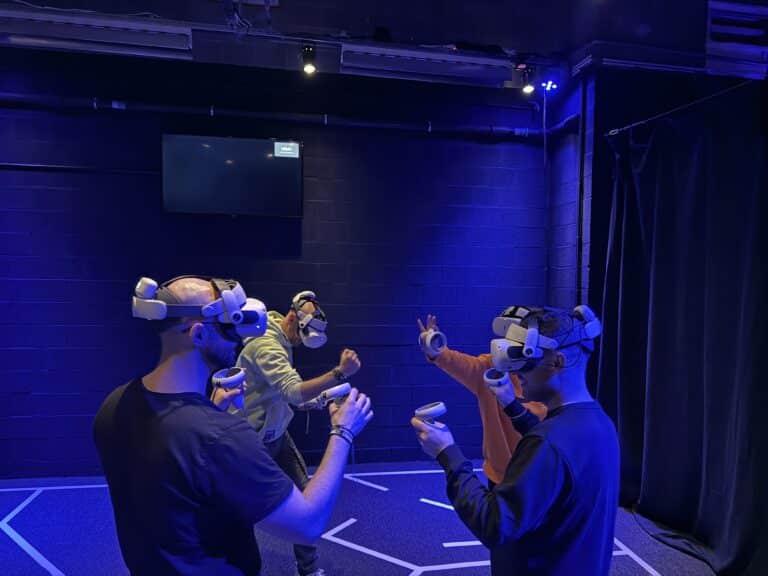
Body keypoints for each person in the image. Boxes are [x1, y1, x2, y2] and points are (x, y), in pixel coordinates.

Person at [93, 276, 373, 576]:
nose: (238, 339)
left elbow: (173, 488)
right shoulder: (219, 436)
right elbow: (308, 524)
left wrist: (210, 410)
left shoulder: (115, 404)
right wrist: (342, 431)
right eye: (227, 327)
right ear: (199, 334)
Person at [412, 305, 619, 576]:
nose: (516, 372)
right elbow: (554, 451)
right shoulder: (598, 422)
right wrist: (512, 407)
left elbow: (494, 525)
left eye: (525, 360)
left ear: (557, 362)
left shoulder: (547, 445)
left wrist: (447, 453)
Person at [236, 290, 360, 576]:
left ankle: (308, 569)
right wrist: (339, 373)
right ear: (292, 318)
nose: (301, 343)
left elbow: (281, 391)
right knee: (240, 512)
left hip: (276, 434)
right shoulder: (266, 345)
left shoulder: (282, 336)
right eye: (302, 336)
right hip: (250, 442)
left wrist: (314, 401)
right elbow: (292, 391)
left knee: (306, 497)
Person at [417, 311, 547, 488]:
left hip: (540, 474)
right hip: (499, 474)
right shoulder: (490, 367)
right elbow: (457, 363)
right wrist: (436, 348)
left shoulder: (550, 377)